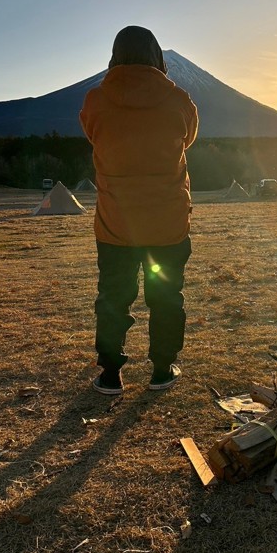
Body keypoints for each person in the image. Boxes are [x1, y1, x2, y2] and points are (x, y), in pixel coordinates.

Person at [80, 25, 198, 395]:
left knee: (113, 298)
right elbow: (189, 139)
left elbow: (92, 134)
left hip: (116, 225)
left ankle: (111, 374)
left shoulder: (95, 100)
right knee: (166, 298)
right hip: (168, 225)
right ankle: (162, 370)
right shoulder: (180, 100)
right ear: (157, 57)